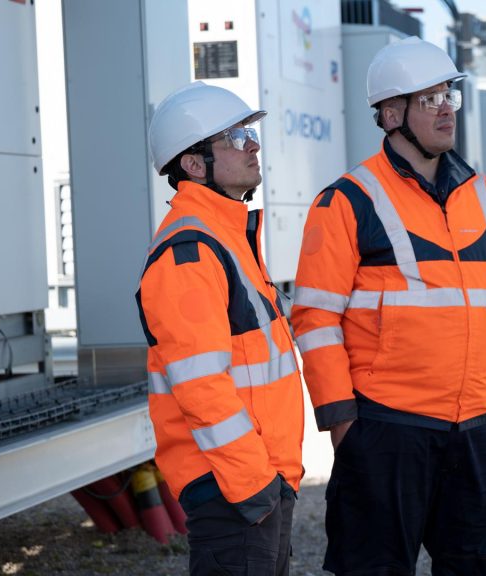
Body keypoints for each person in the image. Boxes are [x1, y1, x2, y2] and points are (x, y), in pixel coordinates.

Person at [291, 36, 486, 575]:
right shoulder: (347, 201)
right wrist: (342, 424)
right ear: (390, 113)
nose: (446, 108)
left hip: (482, 430)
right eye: (430, 99)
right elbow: (315, 319)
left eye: (450, 94)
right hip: (386, 432)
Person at [137, 81, 303, 575]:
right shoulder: (189, 253)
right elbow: (200, 387)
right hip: (233, 485)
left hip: (258, 480)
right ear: (193, 164)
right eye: (233, 136)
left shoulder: (226, 238)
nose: (252, 144)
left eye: (248, 132)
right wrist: (254, 485)